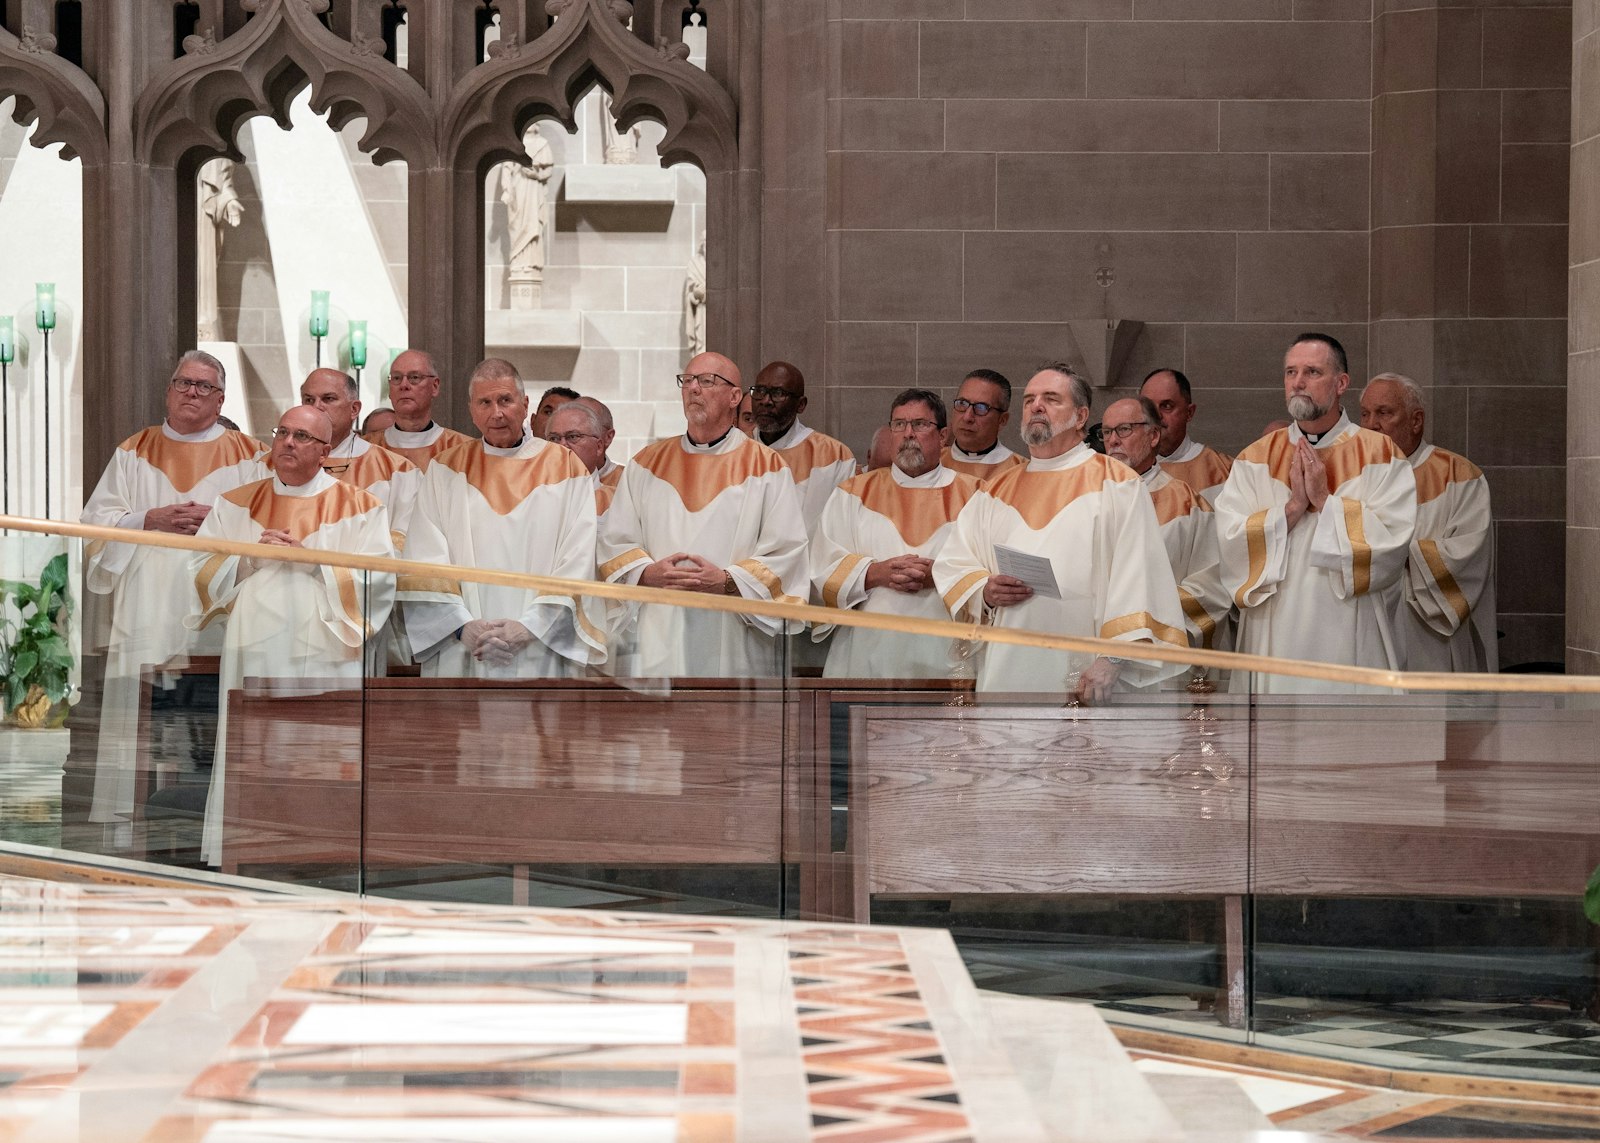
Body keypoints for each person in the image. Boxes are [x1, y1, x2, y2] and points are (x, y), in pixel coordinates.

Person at [189, 405, 395, 867]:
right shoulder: (236, 502)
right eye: (282, 431)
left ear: (325, 451)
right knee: (254, 746)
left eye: (302, 437)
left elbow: (379, 581)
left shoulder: (360, 506)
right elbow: (199, 570)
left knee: (317, 750)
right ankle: (245, 848)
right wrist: (246, 558)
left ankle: (325, 849)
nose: (287, 442)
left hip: (325, 646)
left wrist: (313, 560)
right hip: (255, 644)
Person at [80, 350, 266, 834]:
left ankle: (216, 825)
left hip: (219, 606)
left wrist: (220, 522)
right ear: (168, 390)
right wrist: (149, 519)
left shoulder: (249, 454)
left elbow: (269, 523)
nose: (192, 393)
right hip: (147, 600)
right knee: (146, 713)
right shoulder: (133, 450)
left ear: (221, 397)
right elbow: (94, 524)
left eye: (205, 387)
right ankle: (133, 823)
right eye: (184, 383)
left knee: (209, 710)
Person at [933, 364, 1187, 700]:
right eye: (1029, 400)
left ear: (1081, 416)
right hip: (1009, 668)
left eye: (1051, 399)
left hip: (1084, 671)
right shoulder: (996, 490)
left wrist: (1113, 656)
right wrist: (985, 590)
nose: (1036, 406)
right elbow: (955, 561)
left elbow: (1138, 572)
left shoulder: (1117, 483)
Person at [1213, 334, 1417, 690]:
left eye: (1312, 372)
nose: (1298, 383)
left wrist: (1325, 501)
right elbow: (1230, 542)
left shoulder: (1380, 454)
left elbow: (1392, 543)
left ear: (1341, 383)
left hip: (1348, 629)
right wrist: (1292, 509)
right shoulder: (1255, 457)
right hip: (1272, 630)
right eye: (1291, 372)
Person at [598, 351, 808, 677]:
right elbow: (614, 541)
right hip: (658, 631)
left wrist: (725, 581)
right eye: (687, 380)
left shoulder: (766, 467)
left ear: (735, 396)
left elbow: (786, 551)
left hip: (733, 636)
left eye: (707, 380)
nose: (693, 388)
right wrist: (648, 574)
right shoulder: (646, 463)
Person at [401, 359, 605, 679]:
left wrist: (529, 628)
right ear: (471, 410)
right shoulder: (445, 470)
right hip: (467, 650)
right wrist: (462, 628)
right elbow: (425, 559)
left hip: (540, 647)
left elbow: (577, 557)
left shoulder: (564, 467)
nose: (496, 412)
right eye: (485, 402)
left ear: (525, 406)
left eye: (505, 400)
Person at [811, 389, 981, 677]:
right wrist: (875, 573)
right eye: (899, 424)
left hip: (946, 657)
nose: (908, 433)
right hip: (867, 652)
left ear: (942, 436)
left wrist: (940, 575)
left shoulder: (976, 495)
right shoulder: (852, 493)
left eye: (920, 424)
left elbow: (993, 572)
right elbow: (821, 570)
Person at [1359, 373, 1497, 672]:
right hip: (1362, 630)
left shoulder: (1458, 476)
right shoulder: (1349, 476)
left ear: (1416, 421)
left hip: (1426, 634)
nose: (1370, 425)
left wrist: (1393, 551)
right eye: (1365, 414)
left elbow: (1466, 556)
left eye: (1384, 413)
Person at [1100, 396, 1230, 651]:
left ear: (1153, 437)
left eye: (1124, 429)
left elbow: (1211, 588)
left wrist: (1143, 620)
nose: (1113, 440)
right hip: (1093, 644)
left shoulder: (1187, 505)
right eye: (1106, 432)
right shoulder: (1089, 499)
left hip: (1155, 650)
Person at [299, 368, 419, 547]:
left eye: (328, 399)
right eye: (309, 400)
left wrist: (320, 565)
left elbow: (403, 544)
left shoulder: (398, 472)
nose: (316, 407)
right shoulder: (271, 465)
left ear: (354, 409)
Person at [749, 360, 856, 534]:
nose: (766, 401)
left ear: (801, 404)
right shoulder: (736, 451)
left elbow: (840, 530)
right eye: (760, 391)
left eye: (778, 393)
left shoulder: (834, 456)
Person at [363, 349, 471, 469]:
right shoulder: (363, 448)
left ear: (434, 386)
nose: (404, 385)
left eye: (414, 377)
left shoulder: (462, 449)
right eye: (397, 378)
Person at [1140, 368, 1233, 504]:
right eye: (1149, 407)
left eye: (1166, 406)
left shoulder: (1224, 470)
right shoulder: (1123, 471)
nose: (1156, 415)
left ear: (1189, 412)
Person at [941, 369, 1026, 483]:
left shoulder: (1022, 472)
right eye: (962, 403)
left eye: (981, 407)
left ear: (1002, 420)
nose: (967, 417)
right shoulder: (930, 464)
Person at [546, 401, 617, 518]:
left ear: (599, 447)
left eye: (573, 437)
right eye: (554, 438)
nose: (562, 446)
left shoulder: (617, 502)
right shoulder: (532, 497)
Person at [575, 395, 622, 492]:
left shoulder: (627, 480)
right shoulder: (546, 478)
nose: (563, 444)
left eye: (574, 435)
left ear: (608, 437)